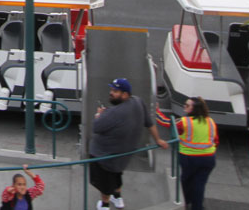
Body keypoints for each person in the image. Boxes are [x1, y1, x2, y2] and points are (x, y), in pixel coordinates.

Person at [89, 78, 169, 210]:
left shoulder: (112, 113)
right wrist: (158, 139)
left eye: (115, 91)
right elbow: (149, 123)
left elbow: (96, 127)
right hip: (123, 155)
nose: (111, 93)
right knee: (117, 175)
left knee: (104, 183)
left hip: (104, 156)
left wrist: (99, 115)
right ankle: (117, 197)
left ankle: (105, 204)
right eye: (111, 90)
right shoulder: (138, 101)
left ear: (125, 94)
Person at [176, 96, 218, 210]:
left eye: (187, 105)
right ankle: (197, 206)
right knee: (200, 183)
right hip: (208, 158)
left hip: (189, 158)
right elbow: (216, 140)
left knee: (185, 180)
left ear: (194, 109)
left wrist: (158, 113)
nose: (185, 106)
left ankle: (186, 201)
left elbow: (169, 125)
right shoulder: (211, 121)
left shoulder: (184, 122)